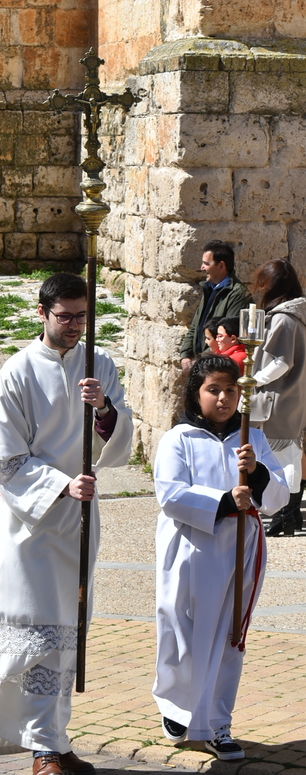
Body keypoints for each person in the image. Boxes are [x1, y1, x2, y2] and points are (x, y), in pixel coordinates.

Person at [0, 272, 133, 771]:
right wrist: (61, 485)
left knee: (70, 632)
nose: (75, 326)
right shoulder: (15, 374)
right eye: (65, 316)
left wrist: (105, 412)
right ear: (41, 313)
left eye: (83, 316)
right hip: (30, 528)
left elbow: (119, 443)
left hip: (79, 522)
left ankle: (56, 736)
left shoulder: (101, 365)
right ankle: (40, 749)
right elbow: (5, 461)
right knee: (35, 636)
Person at [152, 353, 288, 758]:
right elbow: (171, 495)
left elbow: (279, 496)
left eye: (231, 390)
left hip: (237, 551)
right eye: (214, 390)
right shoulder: (179, 438)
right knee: (181, 632)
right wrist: (226, 501)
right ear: (196, 394)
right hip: (191, 549)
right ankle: (177, 706)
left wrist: (259, 473)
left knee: (229, 636)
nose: (224, 398)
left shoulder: (253, 438)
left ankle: (216, 723)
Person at [249, 259, 306, 536]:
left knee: (285, 456)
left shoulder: (284, 317)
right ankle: (290, 515)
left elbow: (281, 362)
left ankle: (286, 513)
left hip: (279, 396)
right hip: (292, 395)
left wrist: (253, 380)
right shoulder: (296, 312)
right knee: (291, 455)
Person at [180, 241, 251, 372]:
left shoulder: (238, 295)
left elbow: (227, 336)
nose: (202, 268)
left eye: (206, 264)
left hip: (216, 366)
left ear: (221, 265)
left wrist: (200, 361)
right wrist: (185, 356)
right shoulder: (209, 289)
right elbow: (196, 326)